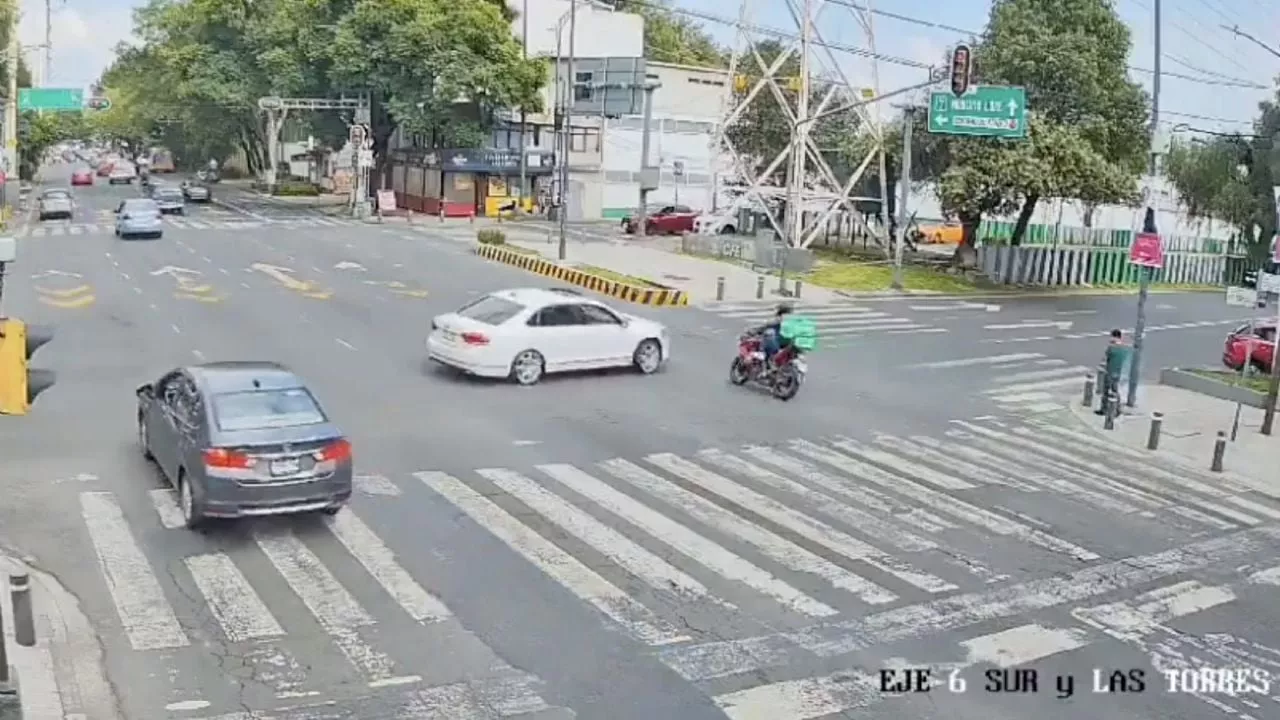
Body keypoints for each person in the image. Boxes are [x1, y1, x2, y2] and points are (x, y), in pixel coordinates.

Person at [1097, 329, 1130, 416]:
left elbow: (1107, 355)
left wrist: (1111, 344)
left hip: (1110, 371)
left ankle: (1104, 409)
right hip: (1118, 372)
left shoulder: (1112, 347)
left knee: (1106, 390)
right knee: (1115, 390)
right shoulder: (1123, 348)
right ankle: (1117, 409)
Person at [754, 303, 794, 369]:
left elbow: (764, 326)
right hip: (788, 342)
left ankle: (768, 365)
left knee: (765, 346)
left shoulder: (777, 320)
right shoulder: (791, 320)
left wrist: (756, 330)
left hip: (778, 341)